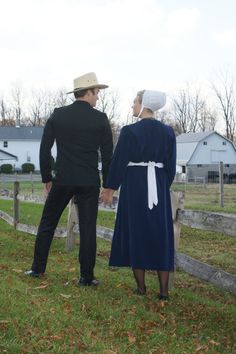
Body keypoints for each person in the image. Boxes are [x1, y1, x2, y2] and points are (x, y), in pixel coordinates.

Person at [25, 72, 113, 286]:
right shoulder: (100, 119)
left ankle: (37, 269)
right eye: (97, 93)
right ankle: (86, 277)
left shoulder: (58, 114)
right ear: (89, 92)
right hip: (89, 181)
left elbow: (45, 148)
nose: (98, 97)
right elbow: (108, 154)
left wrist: (47, 176)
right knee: (88, 228)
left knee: (47, 223)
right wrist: (108, 185)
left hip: (63, 179)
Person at [101, 90, 176, 299]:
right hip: (158, 188)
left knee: (137, 233)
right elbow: (170, 167)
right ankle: (163, 292)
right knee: (161, 235)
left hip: (134, 187)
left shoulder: (129, 131)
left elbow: (118, 162)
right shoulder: (168, 132)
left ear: (144, 104)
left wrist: (109, 188)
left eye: (134, 102)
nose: (132, 106)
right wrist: (162, 185)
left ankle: (142, 288)